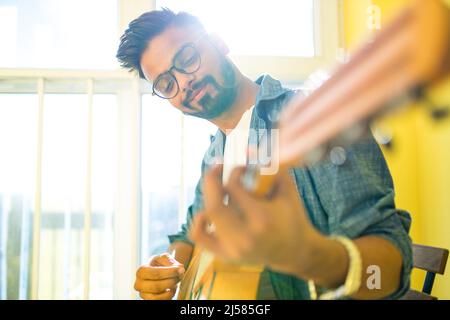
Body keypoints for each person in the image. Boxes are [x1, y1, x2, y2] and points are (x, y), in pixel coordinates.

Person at [116, 8, 412, 300]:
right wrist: (170, 265)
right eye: (166, 84)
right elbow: (190, 233)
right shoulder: (214, 155)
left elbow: (388, 274)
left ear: (218, 42)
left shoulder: (314, 120)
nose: (184, 84)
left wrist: (308, 256)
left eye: (187, 59)